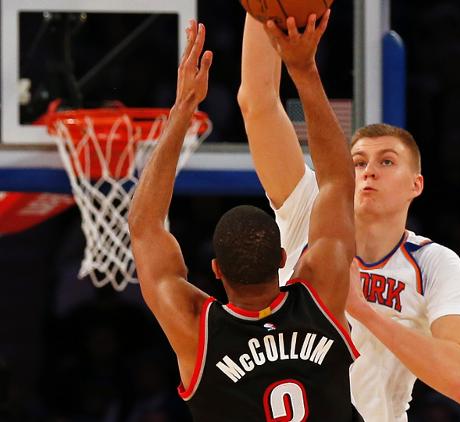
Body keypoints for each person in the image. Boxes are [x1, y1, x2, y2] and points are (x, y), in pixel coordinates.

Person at [236, 12, 460, 421]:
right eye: (358, 161)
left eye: (387, 162)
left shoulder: (434, 263)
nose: (369, 170)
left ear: (416, 185)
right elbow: (258, 102)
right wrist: (261, 9)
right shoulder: (307, 210)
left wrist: (364, 309)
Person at [129, 17, 361, 421]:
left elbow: (144, 225)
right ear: (284, 258)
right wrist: (304, 69)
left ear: (216, 271)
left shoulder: (196, 331)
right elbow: (339, 183)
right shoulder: (321, 295)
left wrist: (183, 108)